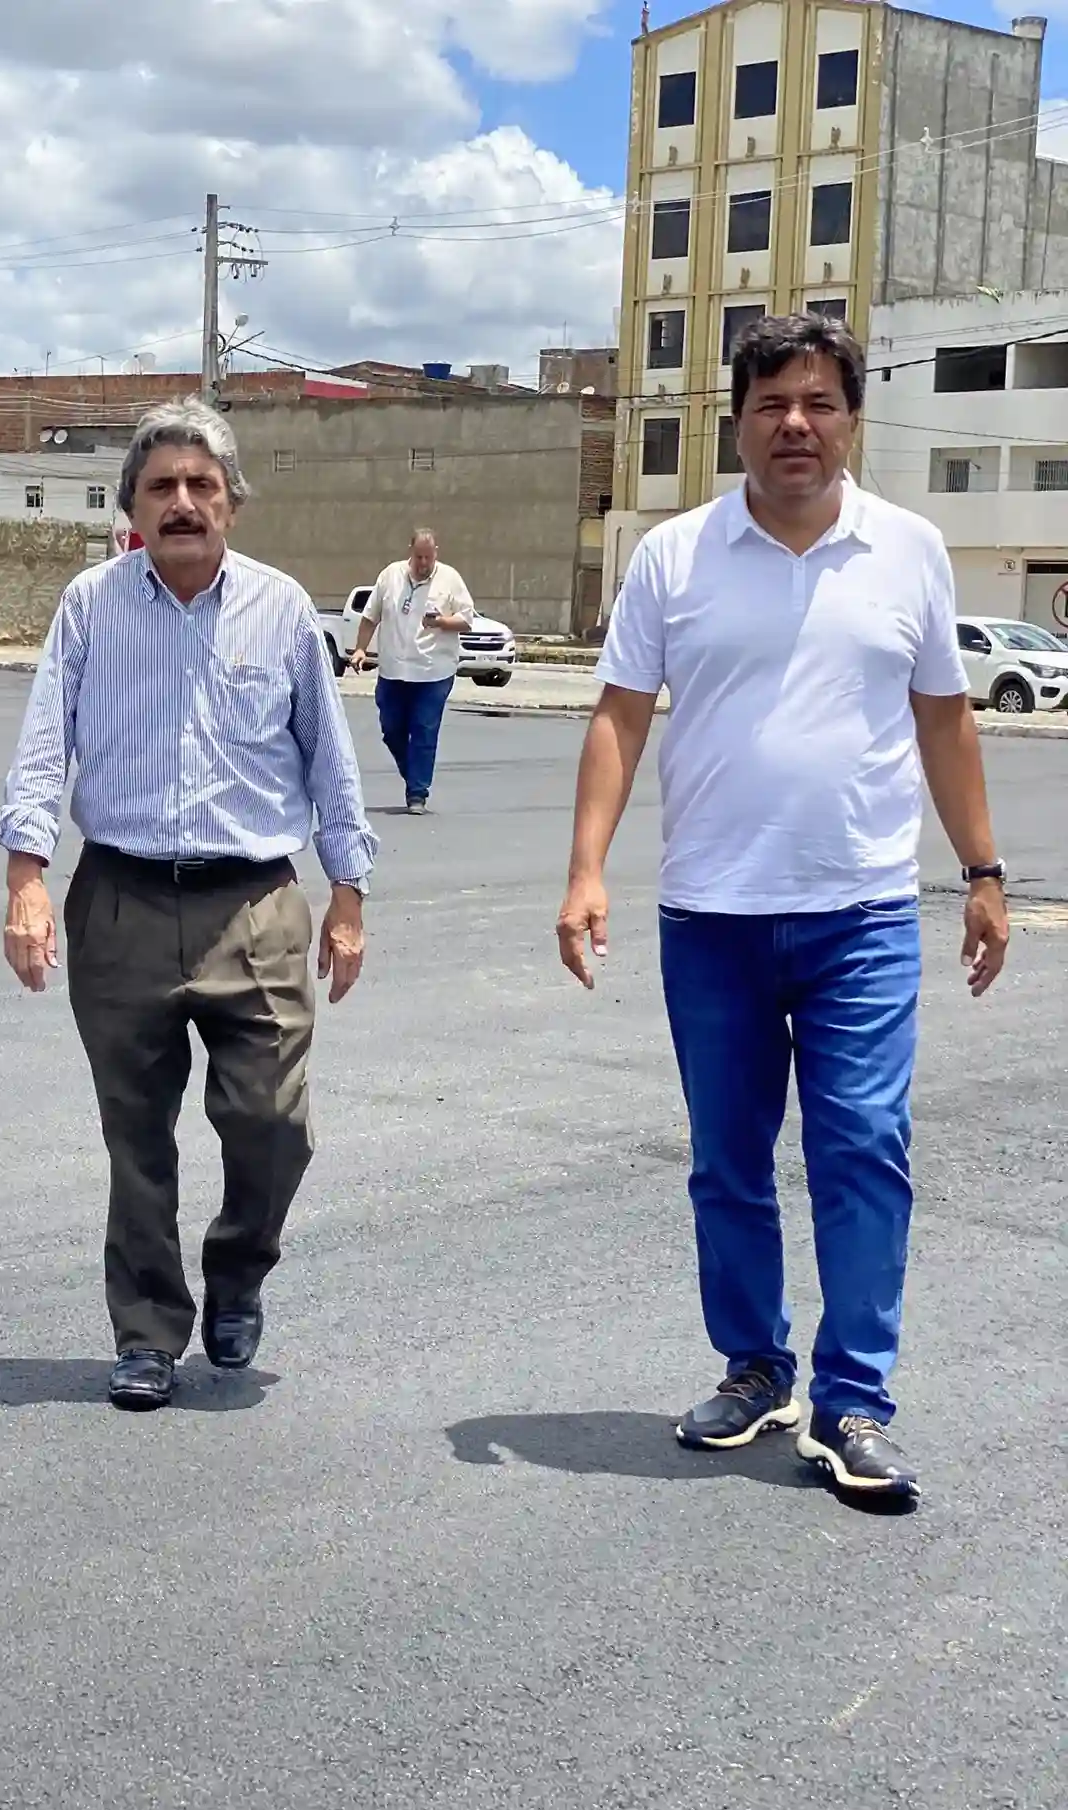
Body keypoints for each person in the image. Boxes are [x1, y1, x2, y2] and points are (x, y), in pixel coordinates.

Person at [556, 312, 1009, 1505]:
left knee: (864, 1149)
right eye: (771, 405)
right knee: (728, 1160)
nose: (795, 424)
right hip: (713, 916)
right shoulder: (675, 556)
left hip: (862, 914)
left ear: (853, 419)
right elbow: (619, 714)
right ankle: (756, 1367)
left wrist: (983, 870)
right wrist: (587, 868)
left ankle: (855, 1400)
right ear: (737, 422)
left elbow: (945, 717)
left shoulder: (909, 550)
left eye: (818, 403)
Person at [0, 399, 378, 1412]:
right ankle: (147, 1333)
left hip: (254, 906)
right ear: (131, 506)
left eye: (202, 485)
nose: (182, 502)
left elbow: (331, 763)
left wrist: (348, 894)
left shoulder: (282, 611)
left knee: (273, 1125)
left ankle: (240, 1269)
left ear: (232, 504)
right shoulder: (90, 606)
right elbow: (44, 744)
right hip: (120, 899)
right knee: (137, 1138)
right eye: (161, 485)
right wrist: (27, 876)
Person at [348, 529, 473, 814]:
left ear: (436, 553)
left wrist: (441, 622)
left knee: (423, 729)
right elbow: (370, 617)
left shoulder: (450, 579)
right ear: (410, 552)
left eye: (428, 557)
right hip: (393, 670)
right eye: (419, 557)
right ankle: (414, 773)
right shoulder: (390, 576)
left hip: (433, 671)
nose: (423, 563)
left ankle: (417, 792)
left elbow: (467, 620)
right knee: (391, 729)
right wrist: (360, 649)